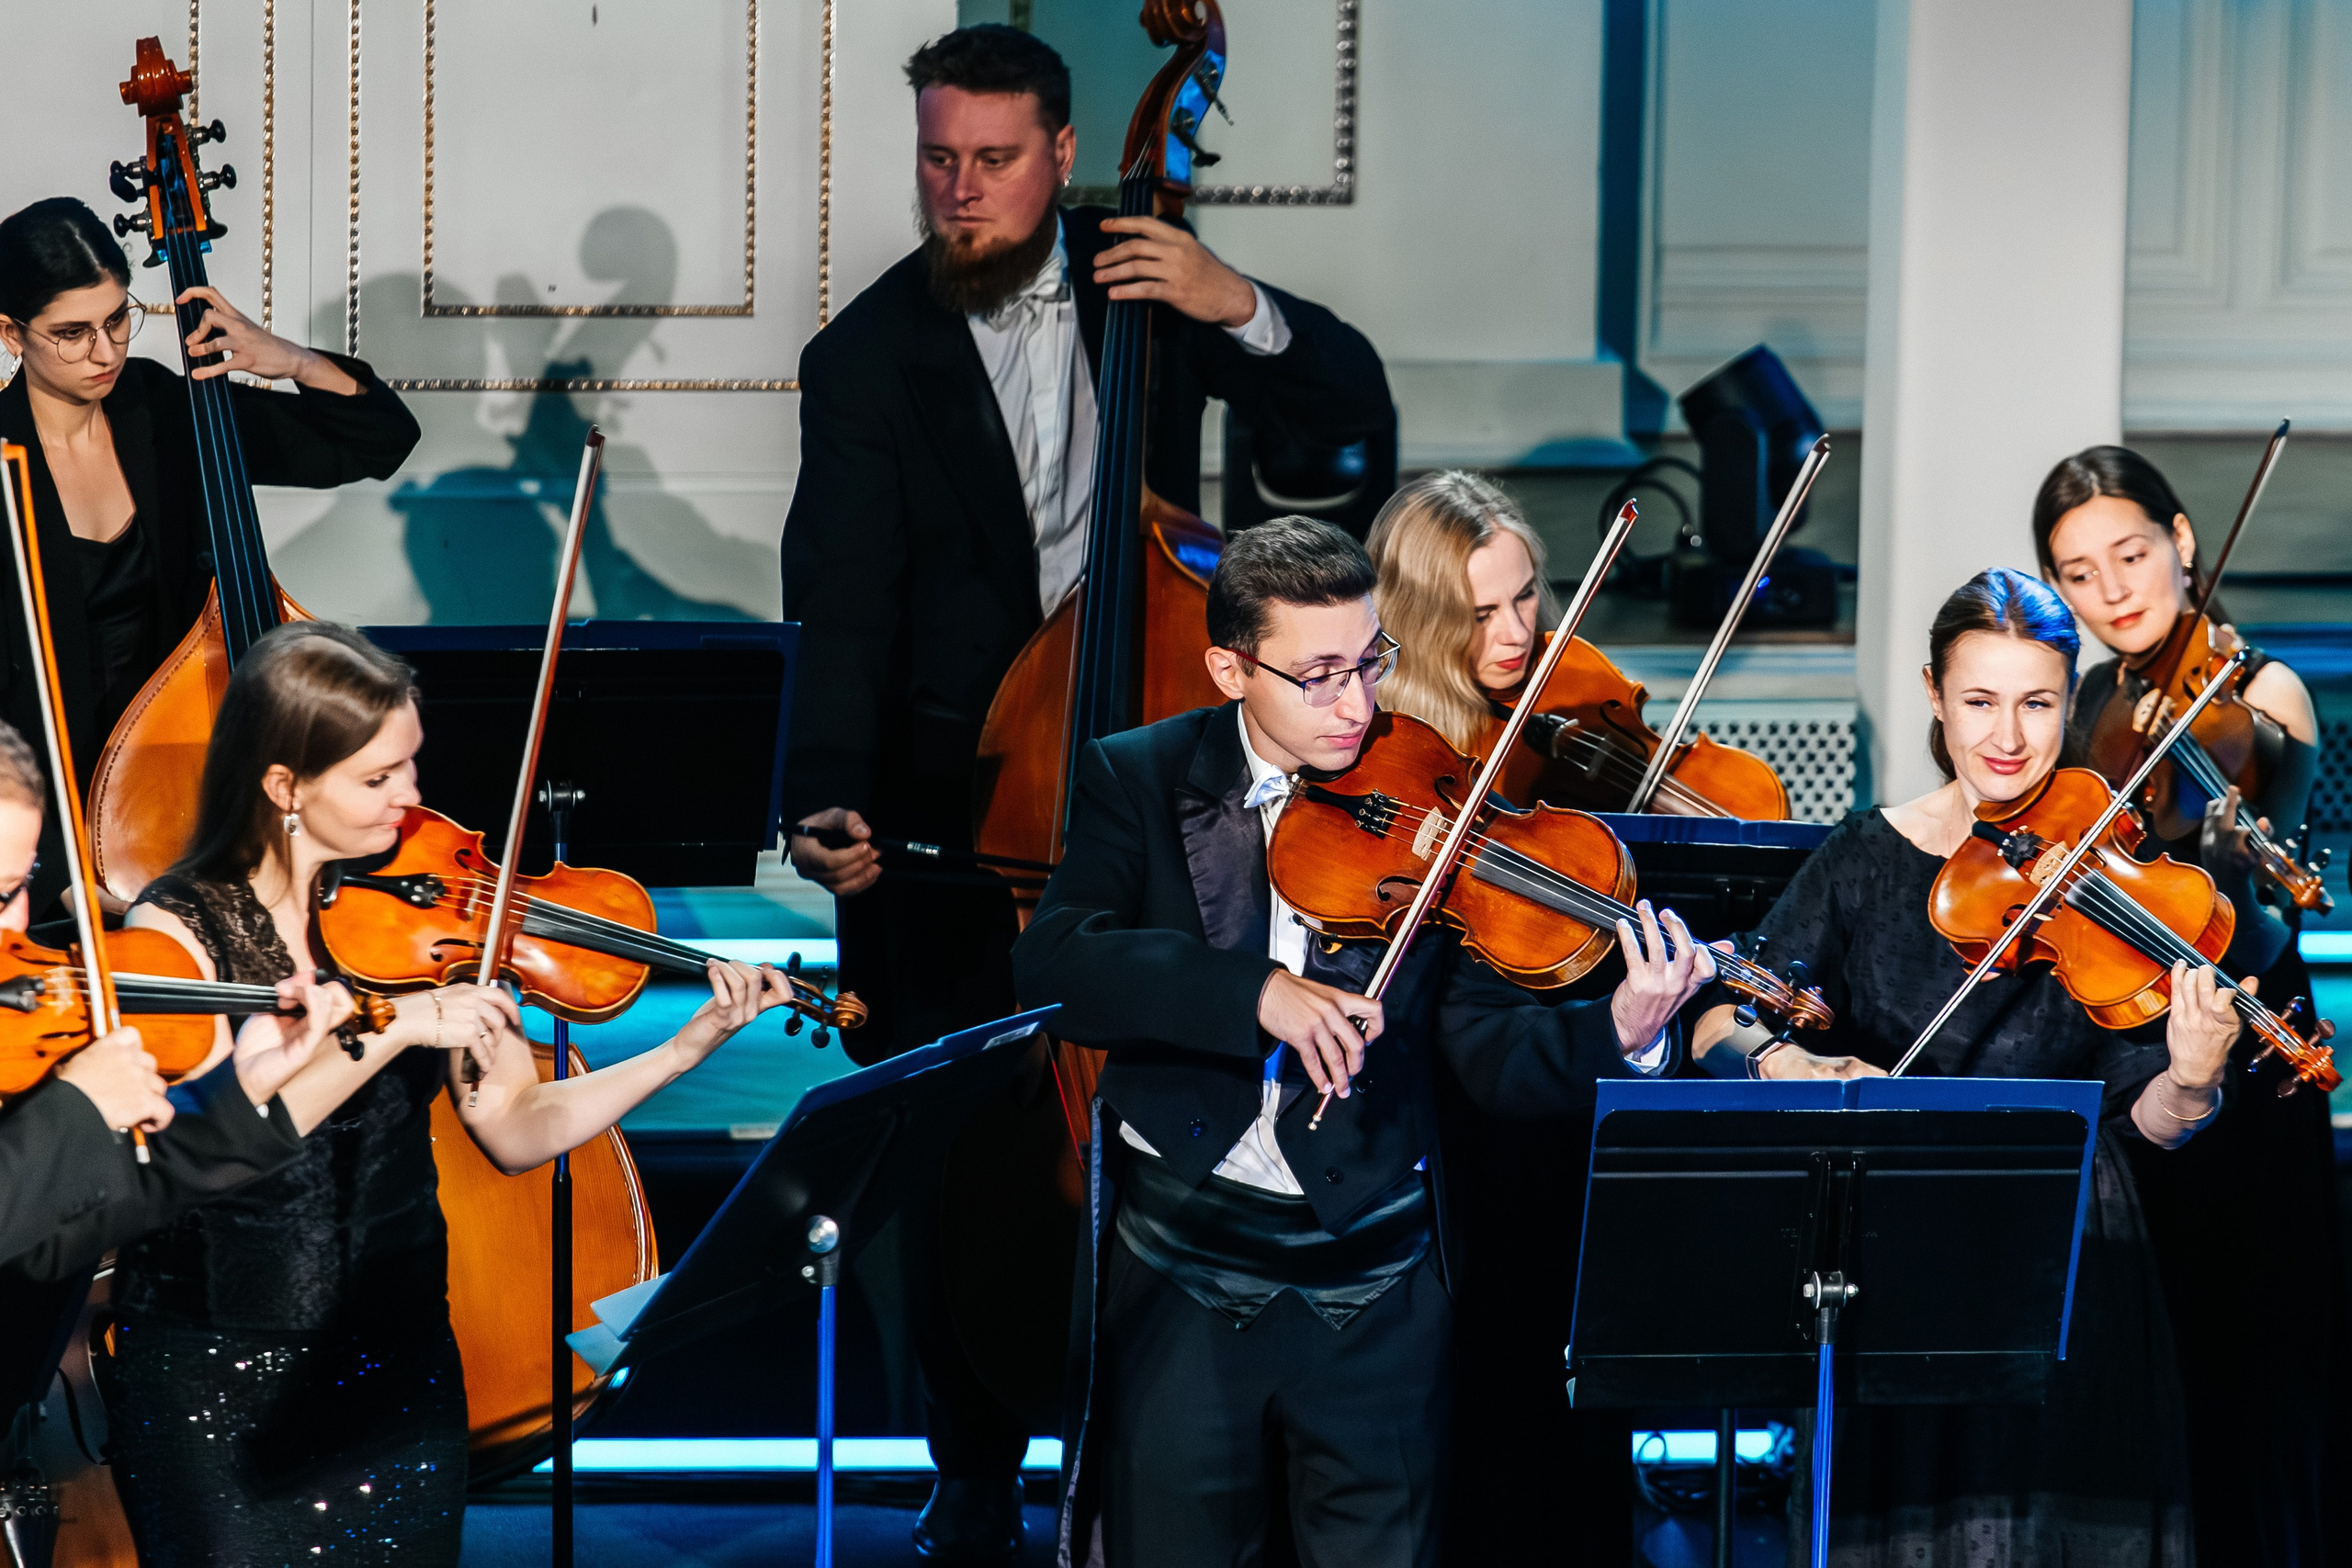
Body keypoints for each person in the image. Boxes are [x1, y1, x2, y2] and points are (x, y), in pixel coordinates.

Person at [778, 25, 1390, 1552]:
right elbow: (837, 600)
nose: (960, 187)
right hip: (966, 817)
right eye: (937, 157)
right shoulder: (863, 358)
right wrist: (825, 793)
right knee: (950, 1146)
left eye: (992, 158)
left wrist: (1237, 303)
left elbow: (1349, 429)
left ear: (1062, 155)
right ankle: (974, 1457)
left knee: (1180, 1104)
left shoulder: (1154, 294)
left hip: (1168, 786)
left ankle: (1192, 1428)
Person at [1012, 516, 1719, 1568]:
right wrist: (1257, 992)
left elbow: (1484, 1050)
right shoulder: (1140, 776)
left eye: (1370, 662)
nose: (1356, 705)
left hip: (1378, 1282)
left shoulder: (1433, 786)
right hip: (1184, 1267)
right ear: (1229, 668)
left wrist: (1620, 1031)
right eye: (1319, 676)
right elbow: (1060, 964)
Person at [95, 622, 795, 1566]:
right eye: (378, 779)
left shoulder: (427, 912)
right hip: (222, 1375)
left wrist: (683, 1049)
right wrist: (390, 1029)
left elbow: (512, 1126)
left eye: (412, 767)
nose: (413, 798)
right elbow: (204, 1152)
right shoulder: (175, 931)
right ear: (283, 788)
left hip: (401, 1362)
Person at [1690, 567, 2237, 1562]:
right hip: (1895, 1247)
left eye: (2035, 703)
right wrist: (1778, 1064)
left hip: (2070, 1248)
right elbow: (1719, 1019)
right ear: (1934, 697)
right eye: (1978, 701)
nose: (2008, 737)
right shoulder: (1865, 855)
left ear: (2070, 702)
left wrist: (2191, 1081)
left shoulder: (2114, 864)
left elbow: (2149, 1120)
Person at [2032, 446, 2344, 1566]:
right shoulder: (2092, 701)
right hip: (2133, 1042)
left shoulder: (2256, 688)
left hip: (2248, 1023)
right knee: (2150, 1336)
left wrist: (2214, 821)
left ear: (2180, 542)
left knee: (2245, 1346)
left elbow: (2249, 881)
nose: (2112, 591)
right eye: (2077, 574)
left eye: (2128, 554)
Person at [0, 197, 420, 914]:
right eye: (71, 334)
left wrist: (289, 359)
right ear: (11, 333)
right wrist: (49, 873)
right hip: (49, 821)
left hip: (190, 779)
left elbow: (374, 442)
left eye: (116, 320)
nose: (105, 352)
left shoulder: (159, 408)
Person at [1364, 468, 1635, 1561]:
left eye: (1529, 596)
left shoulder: (1550, 728)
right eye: (1481, 613)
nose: (1522, 630)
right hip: (1448, 1144)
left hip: (1560, 1128)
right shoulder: (1383, 751)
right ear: (1422, 620)